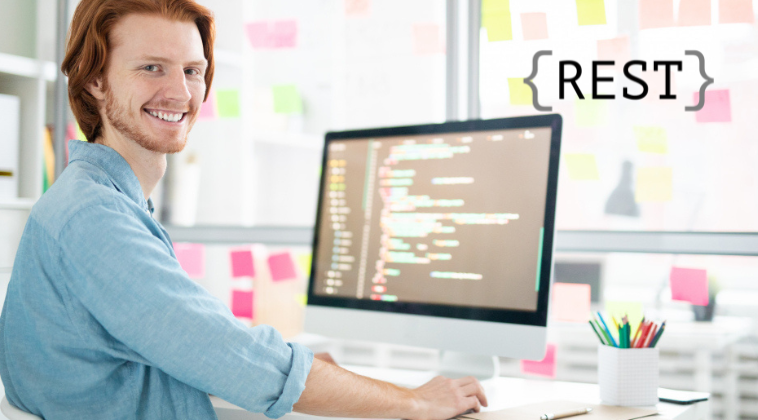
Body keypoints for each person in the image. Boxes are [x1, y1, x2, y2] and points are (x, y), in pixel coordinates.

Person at [0, 1, 487, 419]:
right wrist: (415, 402)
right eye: (152, 67)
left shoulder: (107, 202)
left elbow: (193, 343)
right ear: (95, 83)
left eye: (192, 70)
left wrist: (306, 366)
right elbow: (223, 353)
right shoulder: (94, 218)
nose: (181, 92)